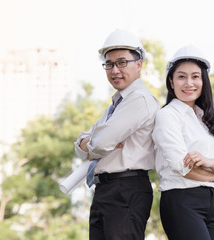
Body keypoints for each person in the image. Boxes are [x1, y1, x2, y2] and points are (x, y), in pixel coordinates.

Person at [74, 29, 160, 240]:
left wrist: (94, 143)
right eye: (109, 64)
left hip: (126, 190)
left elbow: (100, 142)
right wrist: (91, 143)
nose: (115, 70)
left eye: (122, 62)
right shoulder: (117, 103)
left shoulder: (139, 99)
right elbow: (83, 144)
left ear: (138, 64)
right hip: (106, 189)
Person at [152, 45, 214, 240]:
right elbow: (181, 166)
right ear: (171, 82)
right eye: (181, 76)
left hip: (211, 203)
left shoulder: (210, 121)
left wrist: (207, 162)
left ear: (203, 81)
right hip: (181, 200)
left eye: (195, 76)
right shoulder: (167, 116)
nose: (189, 83)